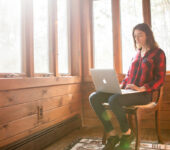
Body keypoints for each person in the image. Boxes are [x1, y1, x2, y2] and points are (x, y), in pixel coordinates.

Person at [89, 23, 166, 150]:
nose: (137, 39)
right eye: (135, 36)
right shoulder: (136, 54)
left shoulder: (158, 53)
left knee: (114, 100)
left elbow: (160, 79)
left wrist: (142, 88)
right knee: (94, 97)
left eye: (140, 35)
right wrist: (119, 86)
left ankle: (127, 135)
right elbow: (128, 76)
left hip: (143, 95)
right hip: (127, 92)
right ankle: (113, 135)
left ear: (148, 35)